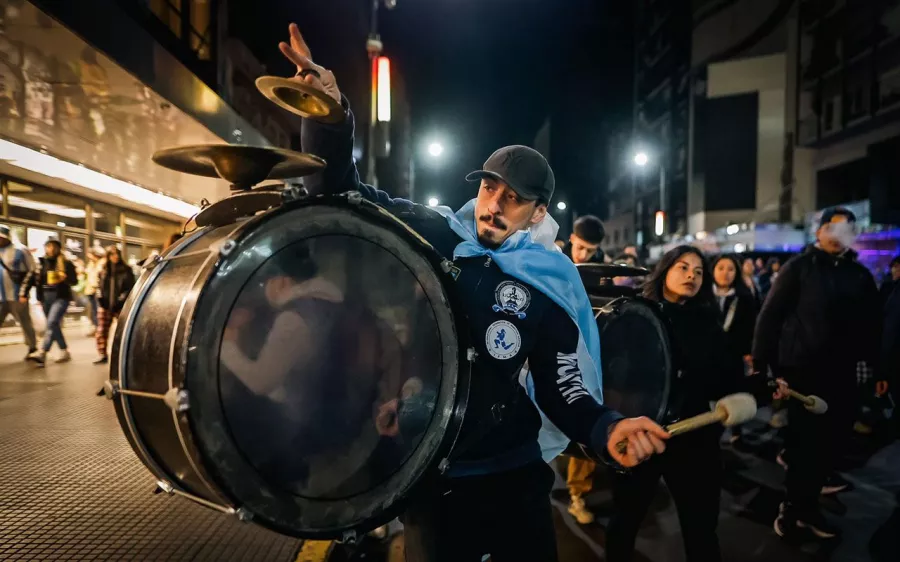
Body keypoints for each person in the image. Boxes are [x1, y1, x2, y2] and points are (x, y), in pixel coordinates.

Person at [280, 23, 669, 562]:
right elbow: (341, 192)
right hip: (432, 475)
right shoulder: (434, 231)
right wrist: (328, 113)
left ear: (537, 213)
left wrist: (606, 428)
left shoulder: (548, 278)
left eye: (512, 198)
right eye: (488, 188)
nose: (493, 204)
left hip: (515, 476)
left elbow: (564, 387)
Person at [605, 246, 744, 562]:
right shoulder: (638, 313)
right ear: (665, 270)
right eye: (683, 267)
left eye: (698, 272)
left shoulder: (708, 321)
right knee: (626, 519)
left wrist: (757, 388)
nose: (691, 276)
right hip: (643, 431)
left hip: (694, 437)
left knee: (701, 528)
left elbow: (728, 375)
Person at [754, 207, 881, 540]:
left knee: (831, 444)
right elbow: (769, 318)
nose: (840, 236)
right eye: (833, 228)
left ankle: (808, 505)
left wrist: (876, 369)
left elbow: (871, 327)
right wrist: (764, 368)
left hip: (844, 375)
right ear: (819, 231)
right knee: (804, 446)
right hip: (803, 375)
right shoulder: (799, 269)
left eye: (847, 230)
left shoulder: (859, 275)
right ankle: (793, 510)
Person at [560, 216, 607, 524]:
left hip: (582, 353)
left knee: (585, 417)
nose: (584, 256)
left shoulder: (601, 271)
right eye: (580, 248)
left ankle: (577, 494)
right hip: (547, 347)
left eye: (591, 251)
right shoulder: (549, 257)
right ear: (570, 239)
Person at [711, 255, 759, 445]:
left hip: (733, 355)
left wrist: (748, 352)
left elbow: (750, 328)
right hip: (708, 355)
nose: (725, 273)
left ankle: (736, 430)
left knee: (734, 391)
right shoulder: (703, 296)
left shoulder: (744, 297)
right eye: (720, 268)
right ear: (712, 270)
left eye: (730, 269)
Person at [26, 237, 75, 365]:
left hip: (61, 297)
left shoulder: (66, 263)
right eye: (49, 246)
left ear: (59, 248)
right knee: (53, 325)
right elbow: (31, 278)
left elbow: (74, 281)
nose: (51, 249)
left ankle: (43, 352)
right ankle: (64, 350)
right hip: (46, 297)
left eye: (54, 246)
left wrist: (65, 278)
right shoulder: (41, 263)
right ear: (45, 248)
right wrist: (23, 293)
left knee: (52, 322)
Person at [0, 224, 38, 360]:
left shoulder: (20, 250)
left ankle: (32, 347)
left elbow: (32, 270)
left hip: (17, 294)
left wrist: (24, 292)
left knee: (24, 322)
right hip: (1, 295)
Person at [93, 246, 135, 365]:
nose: (115, 256)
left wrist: (121, 300)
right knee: (102, 330)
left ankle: (124, 353)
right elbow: (99, 287)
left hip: (121, 305)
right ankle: (102, 353)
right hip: (105, 304)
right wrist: (100, 298)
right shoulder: (104, 271)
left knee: (123, 329)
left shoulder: (126, 270)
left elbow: (130, 287)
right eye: (112, 254)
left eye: (117, 254)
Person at [83, 248, 104, 336]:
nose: (89, 257)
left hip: (97, 290)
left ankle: (99, 329)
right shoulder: (91, 264)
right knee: (93, 311)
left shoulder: (101, 263)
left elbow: (98, 276)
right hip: (90, 290)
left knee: (98, 311)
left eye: (90, 255)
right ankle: (96, 328)